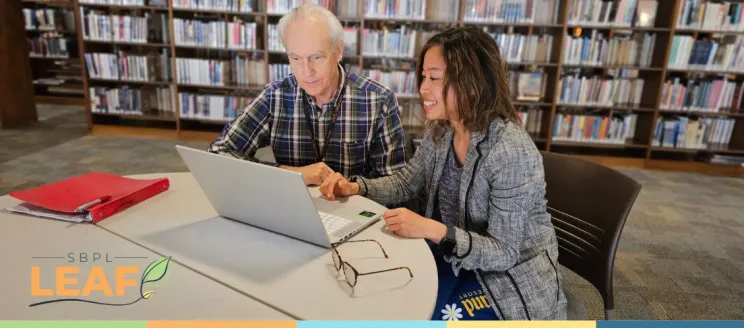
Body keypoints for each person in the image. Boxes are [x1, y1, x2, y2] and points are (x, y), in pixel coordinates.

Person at [319, 26, 568, 321]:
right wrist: (356, 188)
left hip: (505, 283)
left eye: (434, 78)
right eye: (424, 76)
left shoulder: (509, 150)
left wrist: (431, 229)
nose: (423, 87)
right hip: (455, 258)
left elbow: (504, 252)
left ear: (472, 84)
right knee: (381, 296)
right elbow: (405, 183)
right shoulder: (443, 129)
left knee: (416, 315)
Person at [208, 3, 407, 186]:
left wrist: (355, 188)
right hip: (290, 211)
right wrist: (293, 174)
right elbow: (219, 153)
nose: (306, 72)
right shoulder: (275, 96)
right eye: (295, 58)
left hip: (356, 212)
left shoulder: (379, 100)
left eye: (316, 57)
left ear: (338, 52)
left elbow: (396, 185)